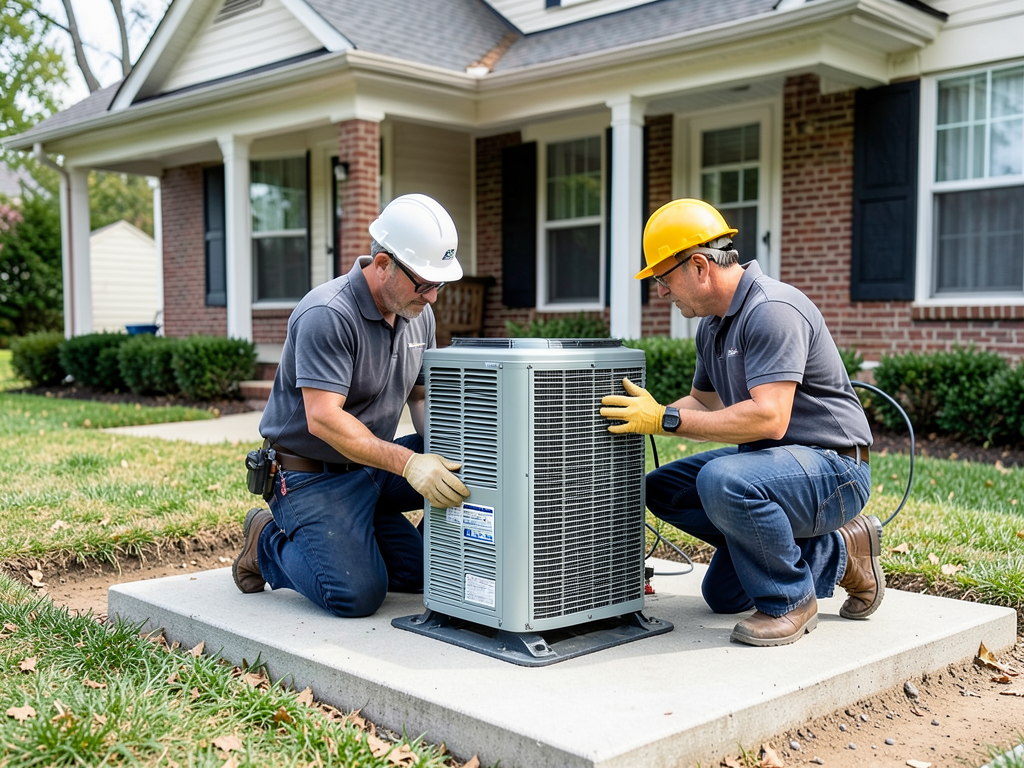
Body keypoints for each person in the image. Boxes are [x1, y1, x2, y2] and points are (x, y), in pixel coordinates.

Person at [600, 198, 883, 647]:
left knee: (722, 479)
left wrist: (665, 420)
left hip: (834, 469)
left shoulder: (771, 309)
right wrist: (640, 418)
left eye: (662, 279)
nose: (661, 292)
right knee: (669, 502)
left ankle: (790, 601)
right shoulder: (711, 326)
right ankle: (843, 552)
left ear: (698, 266)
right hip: (770, 467)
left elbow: (770, 418)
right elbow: (701, 402)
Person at [232, 193, 470, 617]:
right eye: (425, 284)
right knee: (356, 596)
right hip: (310, 475)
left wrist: (440, 449)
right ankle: (265, 540)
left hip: (371, 469)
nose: (433, 297)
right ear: (382, 265)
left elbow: (420, 395)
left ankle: (358, 532)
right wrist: (410, 465)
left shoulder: (418, 313)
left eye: (440, 284)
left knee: (425, 568)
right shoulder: (327, 313)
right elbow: (323, 419)